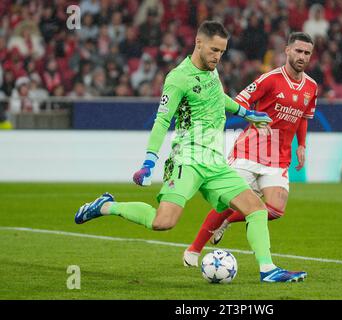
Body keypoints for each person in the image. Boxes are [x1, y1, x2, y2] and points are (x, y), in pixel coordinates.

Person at [74, 21, 307, 283]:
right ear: (198, 43)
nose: (218, 57)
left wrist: (247, 113)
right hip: (187, 159)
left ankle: (268, 269)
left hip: (214, 162)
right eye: (214, 50)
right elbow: (162, 120)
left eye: (222, 51)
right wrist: (149, 160)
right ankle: (107, 206)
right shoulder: (178, 78)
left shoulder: (212, 72)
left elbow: (219, 98)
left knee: (256, 208)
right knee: (163, 222)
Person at [183, 32, 318, 269]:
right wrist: (253, 118)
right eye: (298, 51)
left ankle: (227, 223)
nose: (302, 56)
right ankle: (194, 249)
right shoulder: (269, 79)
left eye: (307, 53)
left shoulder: (312, 87)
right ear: (287, 51)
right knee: (227, 202)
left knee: (276, 209)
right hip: (251, 148)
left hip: (279, 155)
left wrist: (302, 146)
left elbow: (304, 117)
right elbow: (241, 100)